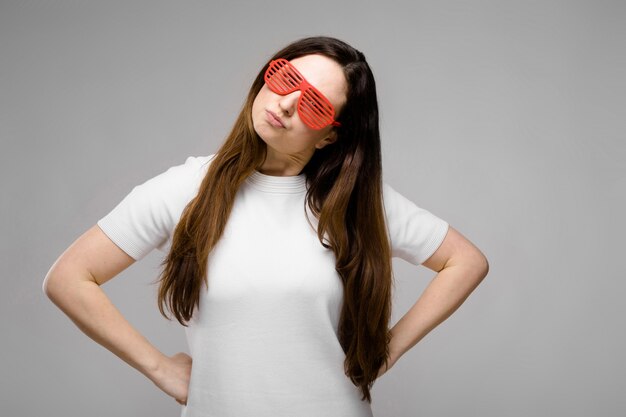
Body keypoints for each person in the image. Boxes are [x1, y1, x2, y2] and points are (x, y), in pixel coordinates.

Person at [43, 36, 489, 417]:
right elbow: (68, 278)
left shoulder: (356, 203)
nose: (287, 103)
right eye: (286, 79)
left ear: (331, 135)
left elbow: (466, 261)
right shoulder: (185, 188)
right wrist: (158, 368)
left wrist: (382, 355)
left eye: (314, 104)